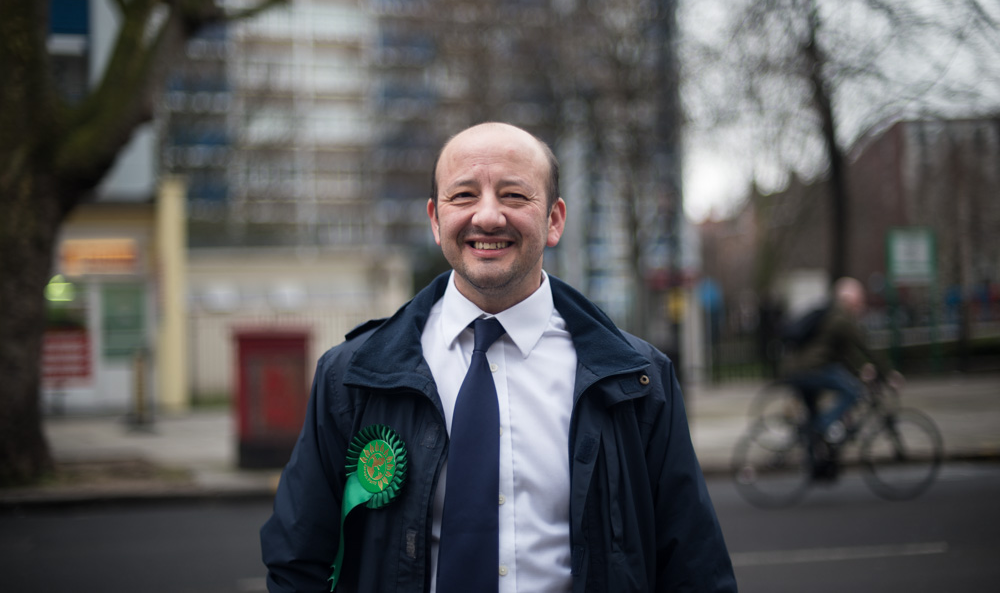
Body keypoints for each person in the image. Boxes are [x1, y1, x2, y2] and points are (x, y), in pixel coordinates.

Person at [260, 122, 737, 592]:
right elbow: (298, 560)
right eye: (463, 195)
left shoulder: (639, 381)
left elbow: (693, 567)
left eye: (513, 195)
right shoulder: (349, 377)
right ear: (434, 219)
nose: (488, 217)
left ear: (554, 220)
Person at [781, 277, 900, 475]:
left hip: (798, 370)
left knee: (813, 417)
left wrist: (859, 370)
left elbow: (841, 354)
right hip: (810, 370)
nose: (861, 305)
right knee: (853, 392)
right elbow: (864, 346)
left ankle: (817, 469)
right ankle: (822, 427)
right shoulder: (842, 317)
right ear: (849, 299)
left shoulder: (831, 314)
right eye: (859, 300)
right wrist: (888, 373)